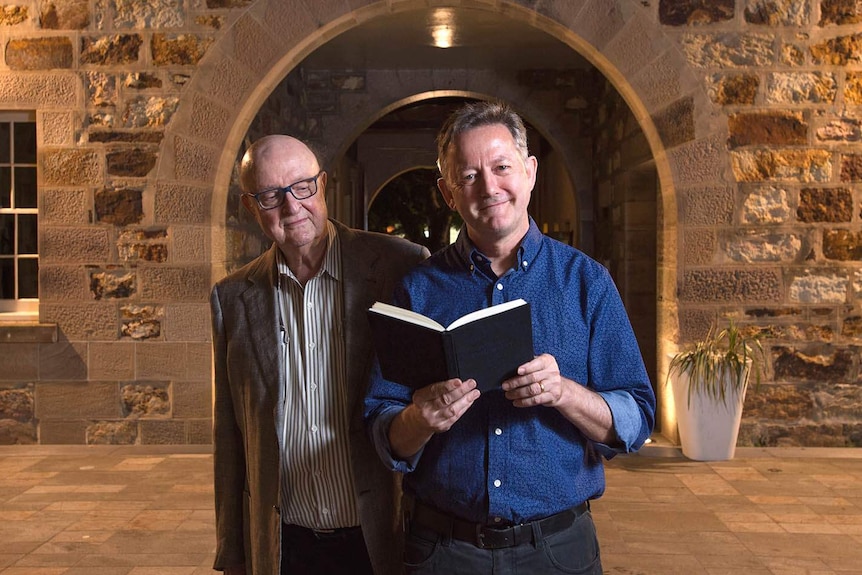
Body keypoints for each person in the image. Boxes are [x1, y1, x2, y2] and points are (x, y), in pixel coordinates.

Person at [364, 101, 656, 574]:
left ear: (530, 171)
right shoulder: (415, 289)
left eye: (501, 167)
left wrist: (564, 393)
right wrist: (421, 418)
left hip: (558, 551)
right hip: (441, 551)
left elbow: (636, 419)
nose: (490, 187)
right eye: (469, 176)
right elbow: (383, 430)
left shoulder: (587, 282)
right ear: (448, 193)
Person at [210, 135, 429, 575]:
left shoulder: (399, 266)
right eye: (271, 195)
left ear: (323, 185)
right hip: (284, 544)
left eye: (302, 187)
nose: (291, 207)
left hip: (381, 539)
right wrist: (233, 551)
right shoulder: (232, 297)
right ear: (251, 207)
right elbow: (231, 436)